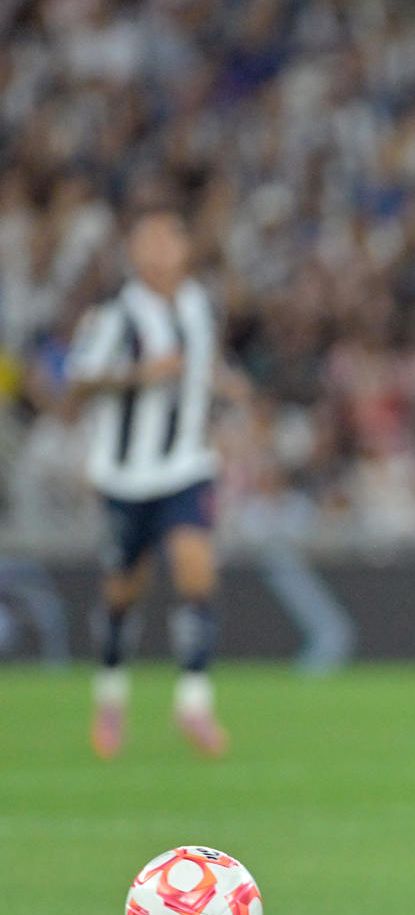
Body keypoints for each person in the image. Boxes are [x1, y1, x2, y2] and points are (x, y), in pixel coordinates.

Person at [66, 207, 240, 758]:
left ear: (184, 249)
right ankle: (111, 695)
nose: (157, 251)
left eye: (168, 239)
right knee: (123, 591)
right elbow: (78, 380)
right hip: (126, 476)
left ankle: (193, 702)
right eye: (147, 241)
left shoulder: (199, 305)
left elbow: (201, 368)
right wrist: (142, 375)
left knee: (196, 568)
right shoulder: (116, 316)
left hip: (185, 467)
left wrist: (227, 389)